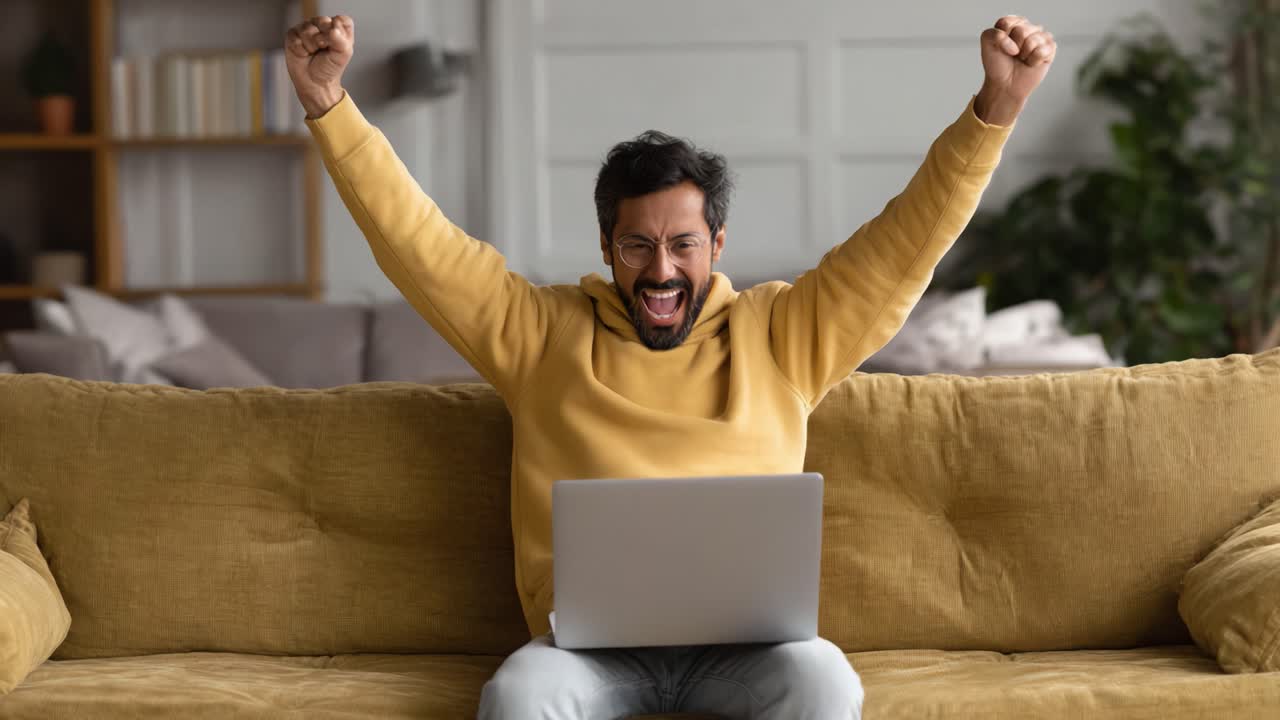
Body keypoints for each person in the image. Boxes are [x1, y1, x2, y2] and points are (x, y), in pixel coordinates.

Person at [285, 12, 1055, 719]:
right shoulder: (540, 336)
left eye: (683, 244)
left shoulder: (783, 335)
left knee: (825, 681)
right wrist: (329, 104)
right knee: (518, 694)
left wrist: (995, 110)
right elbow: (420, 245)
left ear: (716, 246)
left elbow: (901, 249)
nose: (661, 270)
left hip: (748, 655)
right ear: (607, 249)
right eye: (637, 245)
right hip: (586, 657)